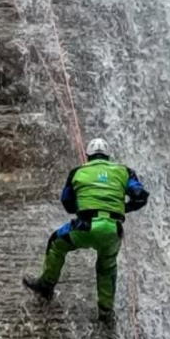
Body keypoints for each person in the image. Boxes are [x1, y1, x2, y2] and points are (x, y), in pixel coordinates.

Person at [22, 137, 149, 322]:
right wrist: (123, 209)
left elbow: (67, 203)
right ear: (108, 156)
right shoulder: (125, 172)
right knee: (107, 267)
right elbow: (140, 196)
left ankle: (46, 285)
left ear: (88, 156)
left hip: (85, 226)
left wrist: (83, 207)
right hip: (113, 229)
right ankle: (105, 311)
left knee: (56, 242)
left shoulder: (77, 172)